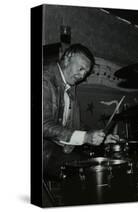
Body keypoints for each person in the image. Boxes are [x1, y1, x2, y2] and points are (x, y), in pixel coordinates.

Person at [43, 43, 118, 178]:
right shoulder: (44, 80)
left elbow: (74, 125)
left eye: (86, 72)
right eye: (81, 68)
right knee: (89, 172)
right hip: (42, 151)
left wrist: (98, 137)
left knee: (99, 163)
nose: (82, 75)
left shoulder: (69, 88)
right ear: (67, 58)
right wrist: (85, 137)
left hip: (58, 149)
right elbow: (43, 125)